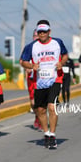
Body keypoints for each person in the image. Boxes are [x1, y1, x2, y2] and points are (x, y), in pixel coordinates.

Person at [20, 20, 69, 149]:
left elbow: (65, 55)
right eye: (40, 31)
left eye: (44, 31)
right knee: (40, 110)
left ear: (49, 32)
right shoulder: (31, 46)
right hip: (39, 82)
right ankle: (46, 133)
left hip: (55, 79)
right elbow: (22, 61)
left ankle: (52, 135)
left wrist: (61, 63)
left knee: (52, 107)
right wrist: (31, 65)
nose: (42, 34)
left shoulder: (57, 42)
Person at [22, 29, 41, 130]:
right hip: (32, 79)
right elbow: (23, 61)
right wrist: (27, 68)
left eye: (38, 35)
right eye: (35, 36)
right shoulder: (29, 47)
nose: (37, 37)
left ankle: (40, 119)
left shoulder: (45, 48)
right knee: (33, 103)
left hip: (42, 78)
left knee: (41, 101)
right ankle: (37, 117)